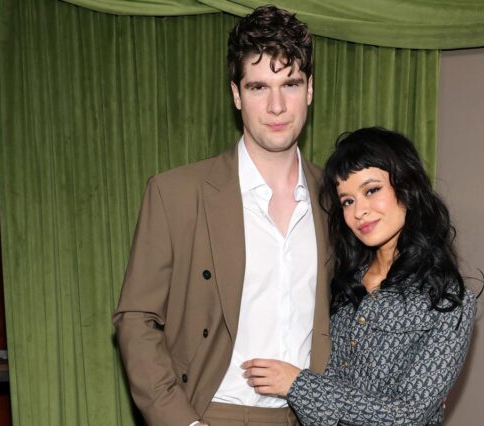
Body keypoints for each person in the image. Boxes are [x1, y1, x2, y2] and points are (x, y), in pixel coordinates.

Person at [112, 6, 331, 426]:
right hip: (213, 413)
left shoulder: (336, 200)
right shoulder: (176, 193)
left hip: (310, 416)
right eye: (258, 87)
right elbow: (136, 319)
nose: (277, 106)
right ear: (236, 94)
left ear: (309, 90)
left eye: (290, 84)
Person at [242, 127, 478, 425]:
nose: (359, 211)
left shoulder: (447, 301)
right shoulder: (337, 282)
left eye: (371, 190)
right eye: (347, 201)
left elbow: (406, 416)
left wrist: (298, 385)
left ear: (407, 187)